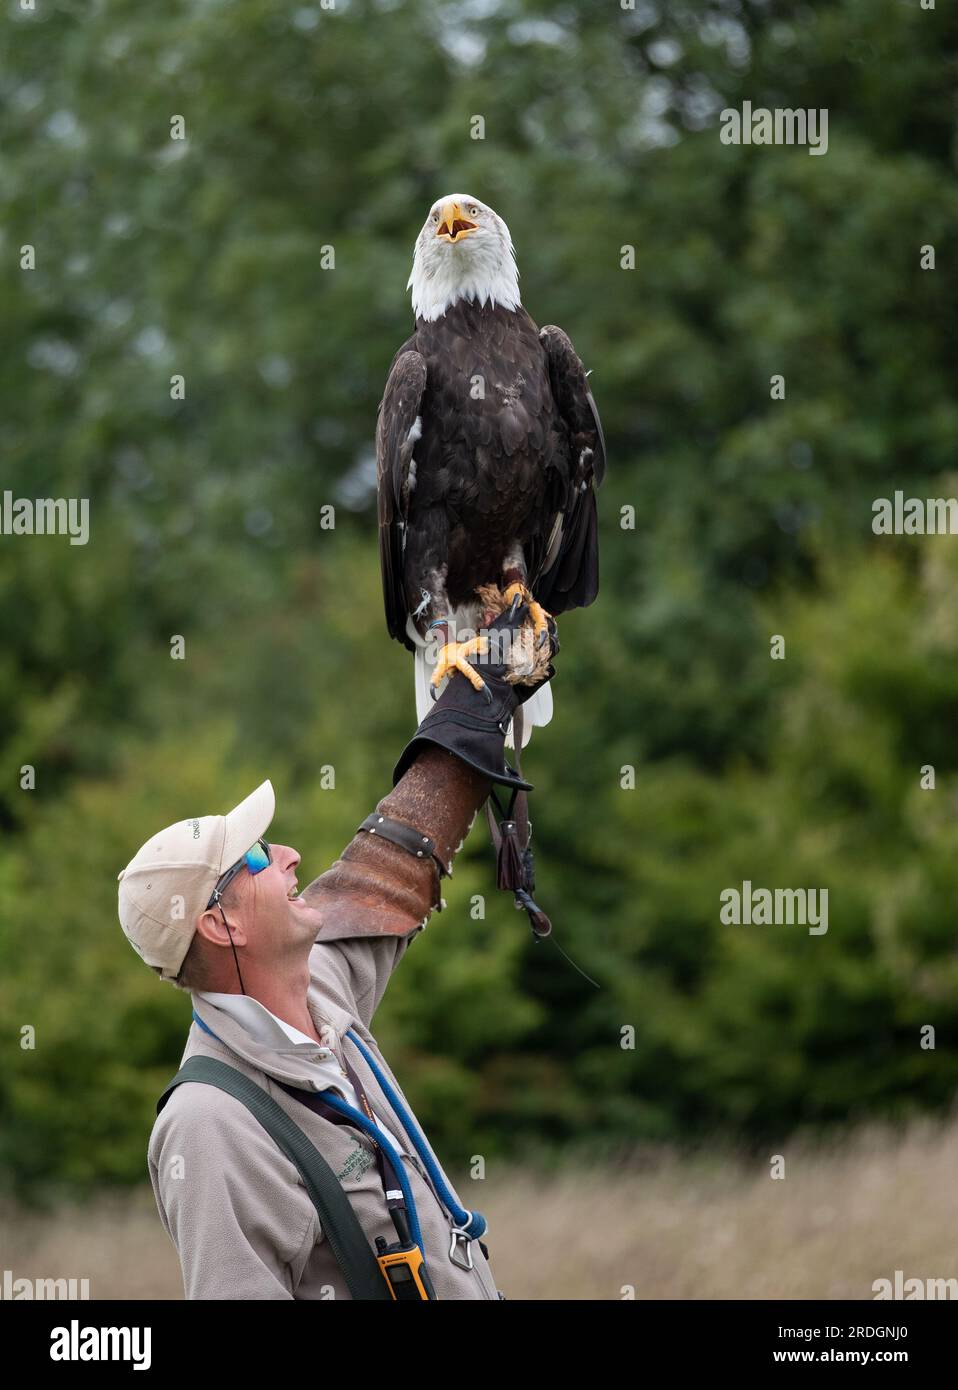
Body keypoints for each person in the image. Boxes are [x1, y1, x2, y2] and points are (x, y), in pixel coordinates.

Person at [117, 601, 556, 1300]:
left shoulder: (319, 981)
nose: (290, 854)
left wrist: (482, 692)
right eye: (259, 856)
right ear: (219, 925)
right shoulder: (207, 1125)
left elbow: (393, 867)